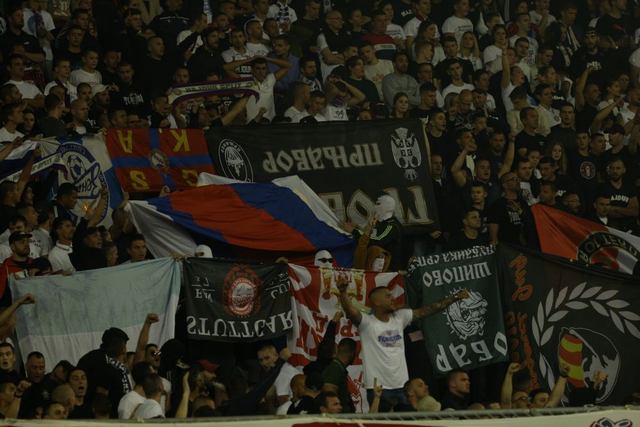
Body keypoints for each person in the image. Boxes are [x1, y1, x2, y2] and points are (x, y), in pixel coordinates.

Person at [337, 273, 468, 411]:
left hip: (403, 387)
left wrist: (453, 298)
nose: (393, 299)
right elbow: (350, 311)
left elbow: (428, 310)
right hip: (378, 390)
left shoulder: (400, 318)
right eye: (388, 296)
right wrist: (343, 292)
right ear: (377, 302)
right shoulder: (367, 323)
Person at [321, 338, 356, 413]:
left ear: (337, 349)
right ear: (352, 353)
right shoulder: (335, 369)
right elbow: (329, 397)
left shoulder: (338, 368)